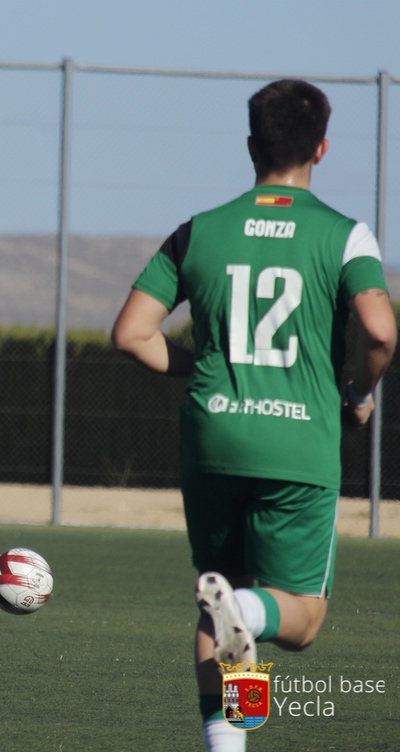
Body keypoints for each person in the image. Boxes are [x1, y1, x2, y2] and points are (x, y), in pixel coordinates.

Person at [111, 79, 396, 752]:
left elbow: (131, 334)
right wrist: (358, 389)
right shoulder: (345, 236)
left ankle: (229, 744)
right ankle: (250, 611)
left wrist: (204, 365)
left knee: (220, 594)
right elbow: (380, 331)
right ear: (321, 149)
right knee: (296, 620)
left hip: (213, 437)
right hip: (297, 446)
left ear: (250, 146)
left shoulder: (199, 230)